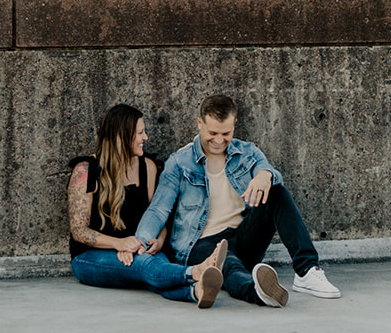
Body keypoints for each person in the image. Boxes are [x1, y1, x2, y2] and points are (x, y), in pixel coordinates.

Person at [132, 94, 341, 308]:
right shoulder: (179, 163)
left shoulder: (247, 152)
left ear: (234, 125)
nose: (219, 140)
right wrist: (139, 242)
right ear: (199, 124)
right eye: (212, 133)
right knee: (228, 264)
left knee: (276, 191)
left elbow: (270, 172)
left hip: (242, 237)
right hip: (201, 244)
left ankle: (306, 271)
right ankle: (257, 292)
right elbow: (158, 210)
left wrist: (264, 175)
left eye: (226, 133)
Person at [68, 103, 227, 308]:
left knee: (154, 267)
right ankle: (196, 271)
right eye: (140, 133)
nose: (146, 138)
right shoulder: (85, 171)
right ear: (122, 137)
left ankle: (196, 292)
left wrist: (160, 240)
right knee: (145, 267)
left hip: (139, 248)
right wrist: (119, 244)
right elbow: (78, 231)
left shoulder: (147, 167)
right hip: (90, 257)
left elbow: (158, 213)